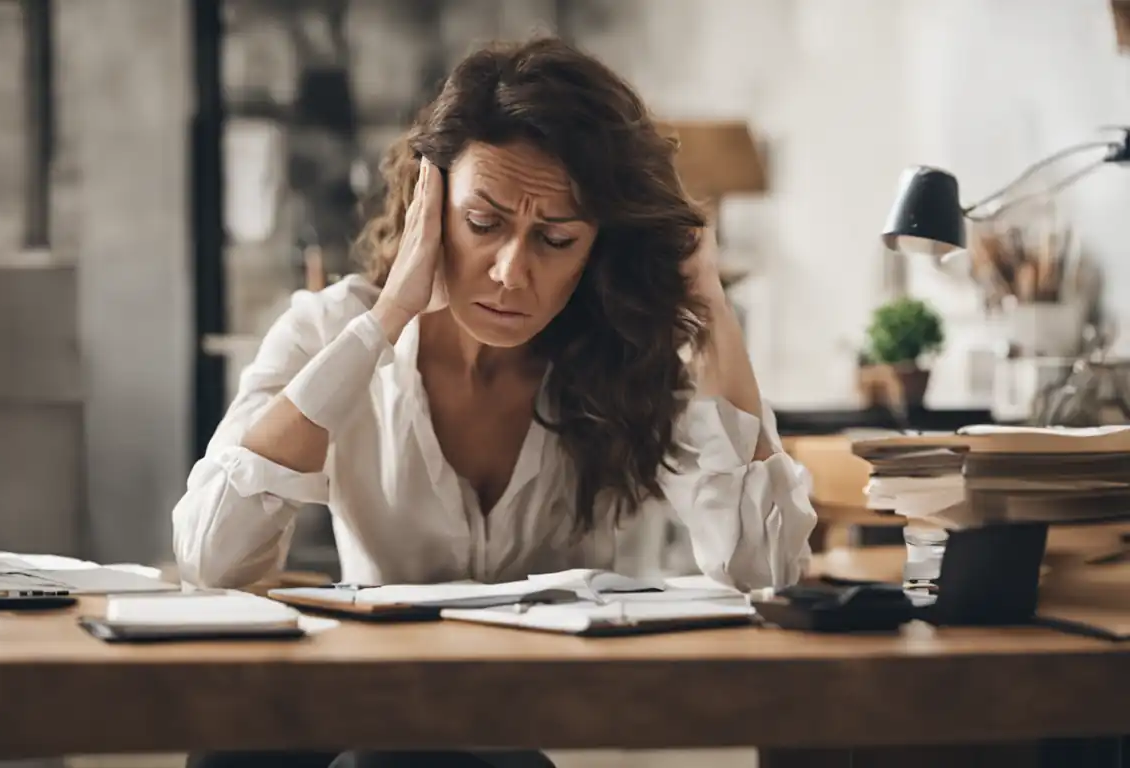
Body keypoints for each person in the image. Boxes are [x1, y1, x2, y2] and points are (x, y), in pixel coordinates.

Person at [175, 37, 817, 768]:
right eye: (484, 224)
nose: (512, 273)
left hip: (546, 729)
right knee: (239, 751)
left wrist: (708, 303)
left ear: (596, 246)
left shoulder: (631, 364)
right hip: (378, 700)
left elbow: (767, 571)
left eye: (556, 238)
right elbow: (211, 559)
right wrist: (385, 322)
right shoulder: (327, 331)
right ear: (430, 204)